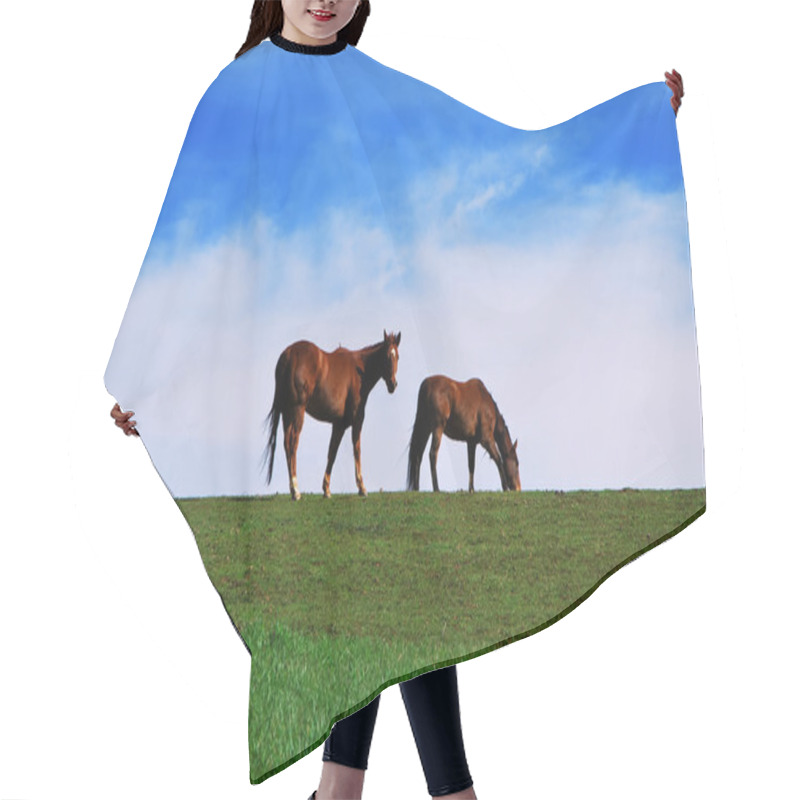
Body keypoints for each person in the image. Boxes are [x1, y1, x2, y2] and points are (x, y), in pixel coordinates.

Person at [111, 2, 685, 798]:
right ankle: (430, 791)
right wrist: (146, 374)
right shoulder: (236, 94)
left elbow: (496, 161)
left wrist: (636, 125)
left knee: (403, 586)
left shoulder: (379, 89)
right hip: (284, 337)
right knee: (365, 595)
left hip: (372, 381)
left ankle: (350, 790)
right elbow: (187, 237)